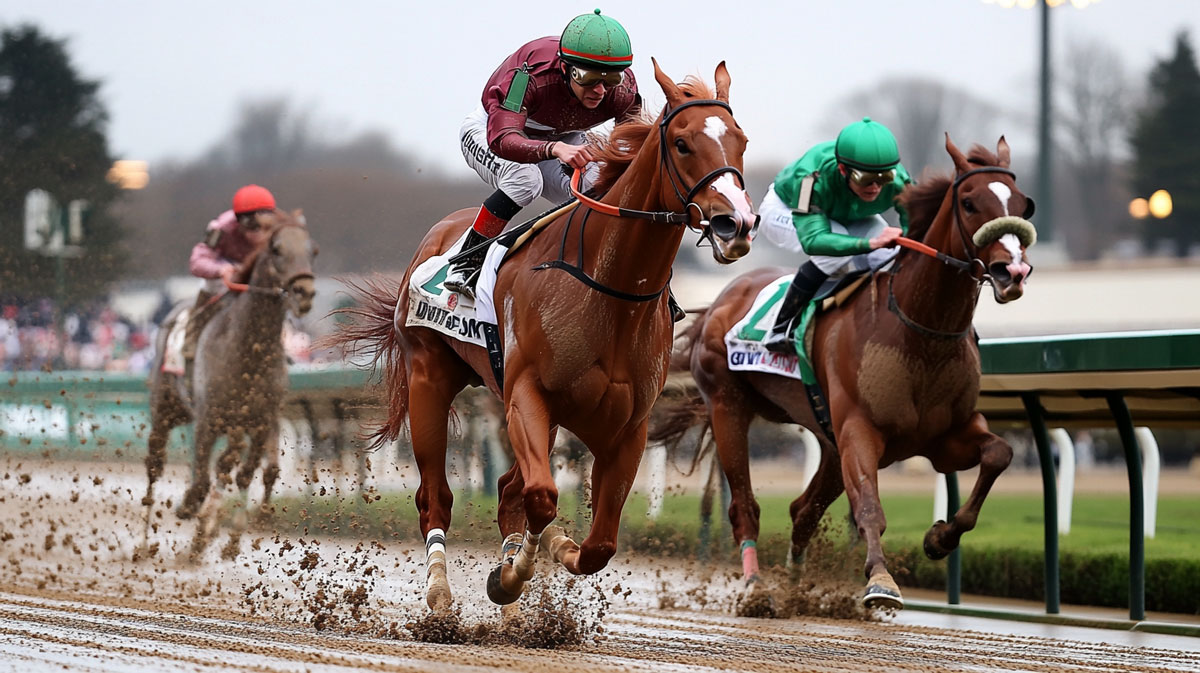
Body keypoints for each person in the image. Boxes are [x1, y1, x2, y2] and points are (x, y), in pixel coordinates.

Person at [445, 8, 640, 299]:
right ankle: (466, 261)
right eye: (588, 77)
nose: (600, 90)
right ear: (564, 68)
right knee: (526, 181)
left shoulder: (623, 89)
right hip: (493, 131)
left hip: (561, 138)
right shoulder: (528, 77)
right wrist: (554, 148)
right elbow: (503, 140)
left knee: (599, 185)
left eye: (610, 78)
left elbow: (631, 141)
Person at [759, 118, 913, 354]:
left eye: (883, 178)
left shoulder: (900, 180)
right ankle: (780, 327)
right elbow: (814, 241)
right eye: (866, 179)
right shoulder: (809, 181)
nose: (875, 188)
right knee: (834, 255)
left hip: (847, 213)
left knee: (889, 254)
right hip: (787, 209)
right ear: (843, 170)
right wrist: (870, 243)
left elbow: (916, 226)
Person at [181, 184, 277, 378]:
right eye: (251, 224)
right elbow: (197, 261)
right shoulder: (221, 229)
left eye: (264, 224)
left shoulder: (280, 231)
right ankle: (192, 339)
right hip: (225, 275)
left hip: (257, 278)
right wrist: (220, 269)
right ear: (239, 221)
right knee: (211, 289)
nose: (258, 232)